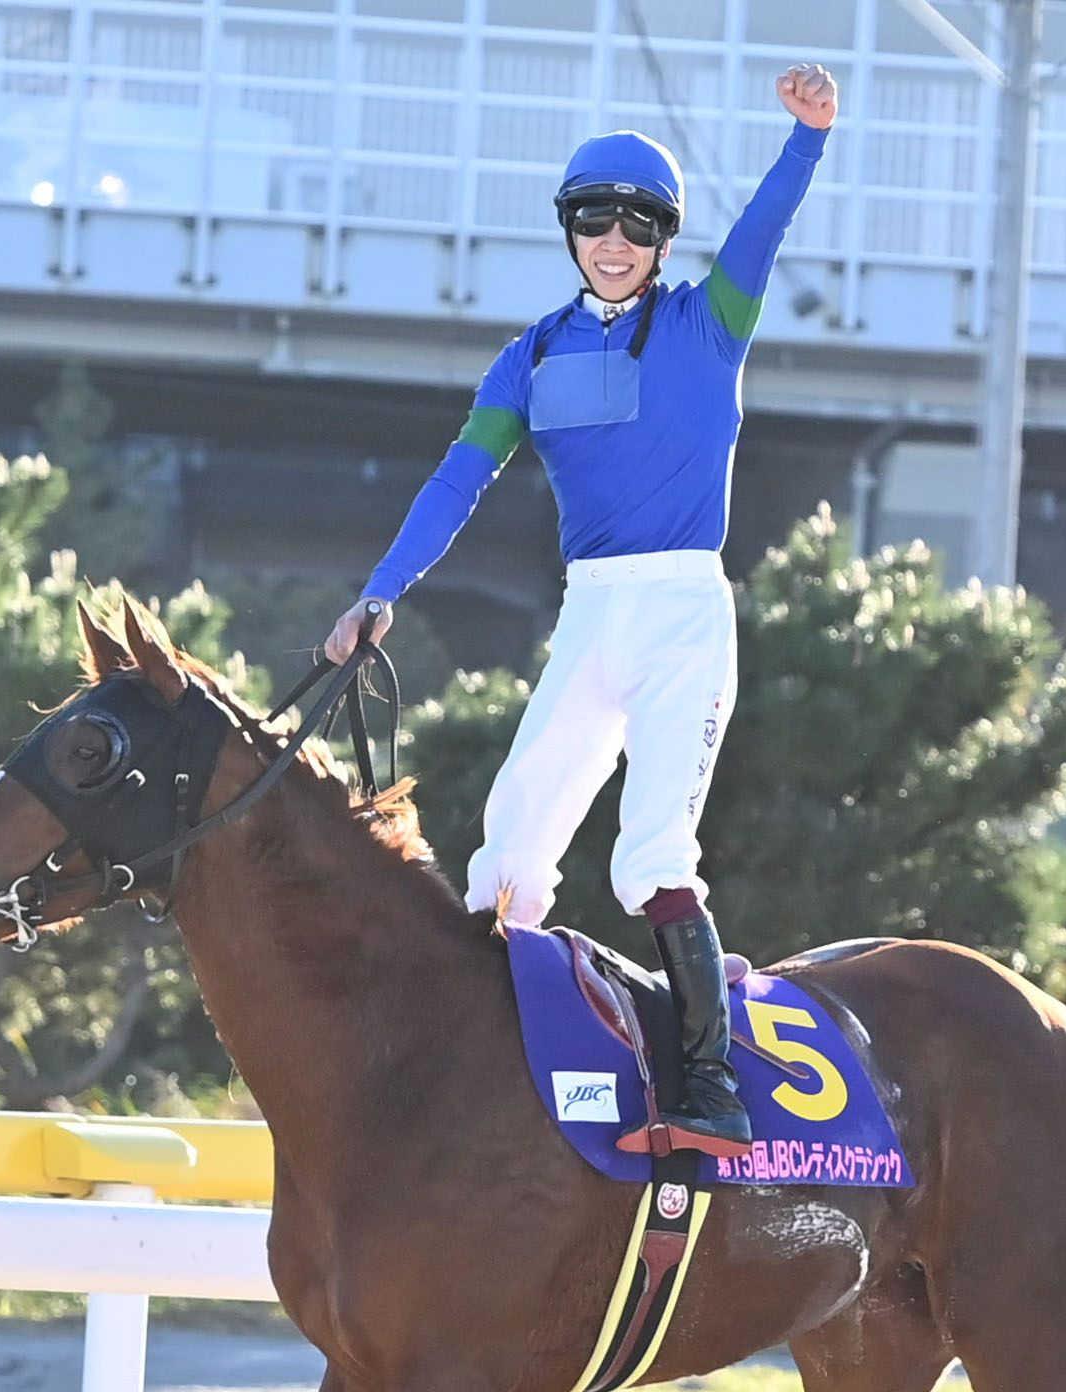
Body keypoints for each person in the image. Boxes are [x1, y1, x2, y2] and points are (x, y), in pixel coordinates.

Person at [327, 62, 838, 1158]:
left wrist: (807, 138)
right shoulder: (531, 356)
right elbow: (456, 481)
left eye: (639, 225)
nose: (615, 241)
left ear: (663, 240)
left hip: (684, 616)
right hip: (593, 616)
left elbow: (763, 229)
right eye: (595, 221)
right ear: (570, 230)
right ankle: (477, 1078)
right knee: (507, 855)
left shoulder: (712, 322)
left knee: (649, 856)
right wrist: (382, 591)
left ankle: (708, 1089)